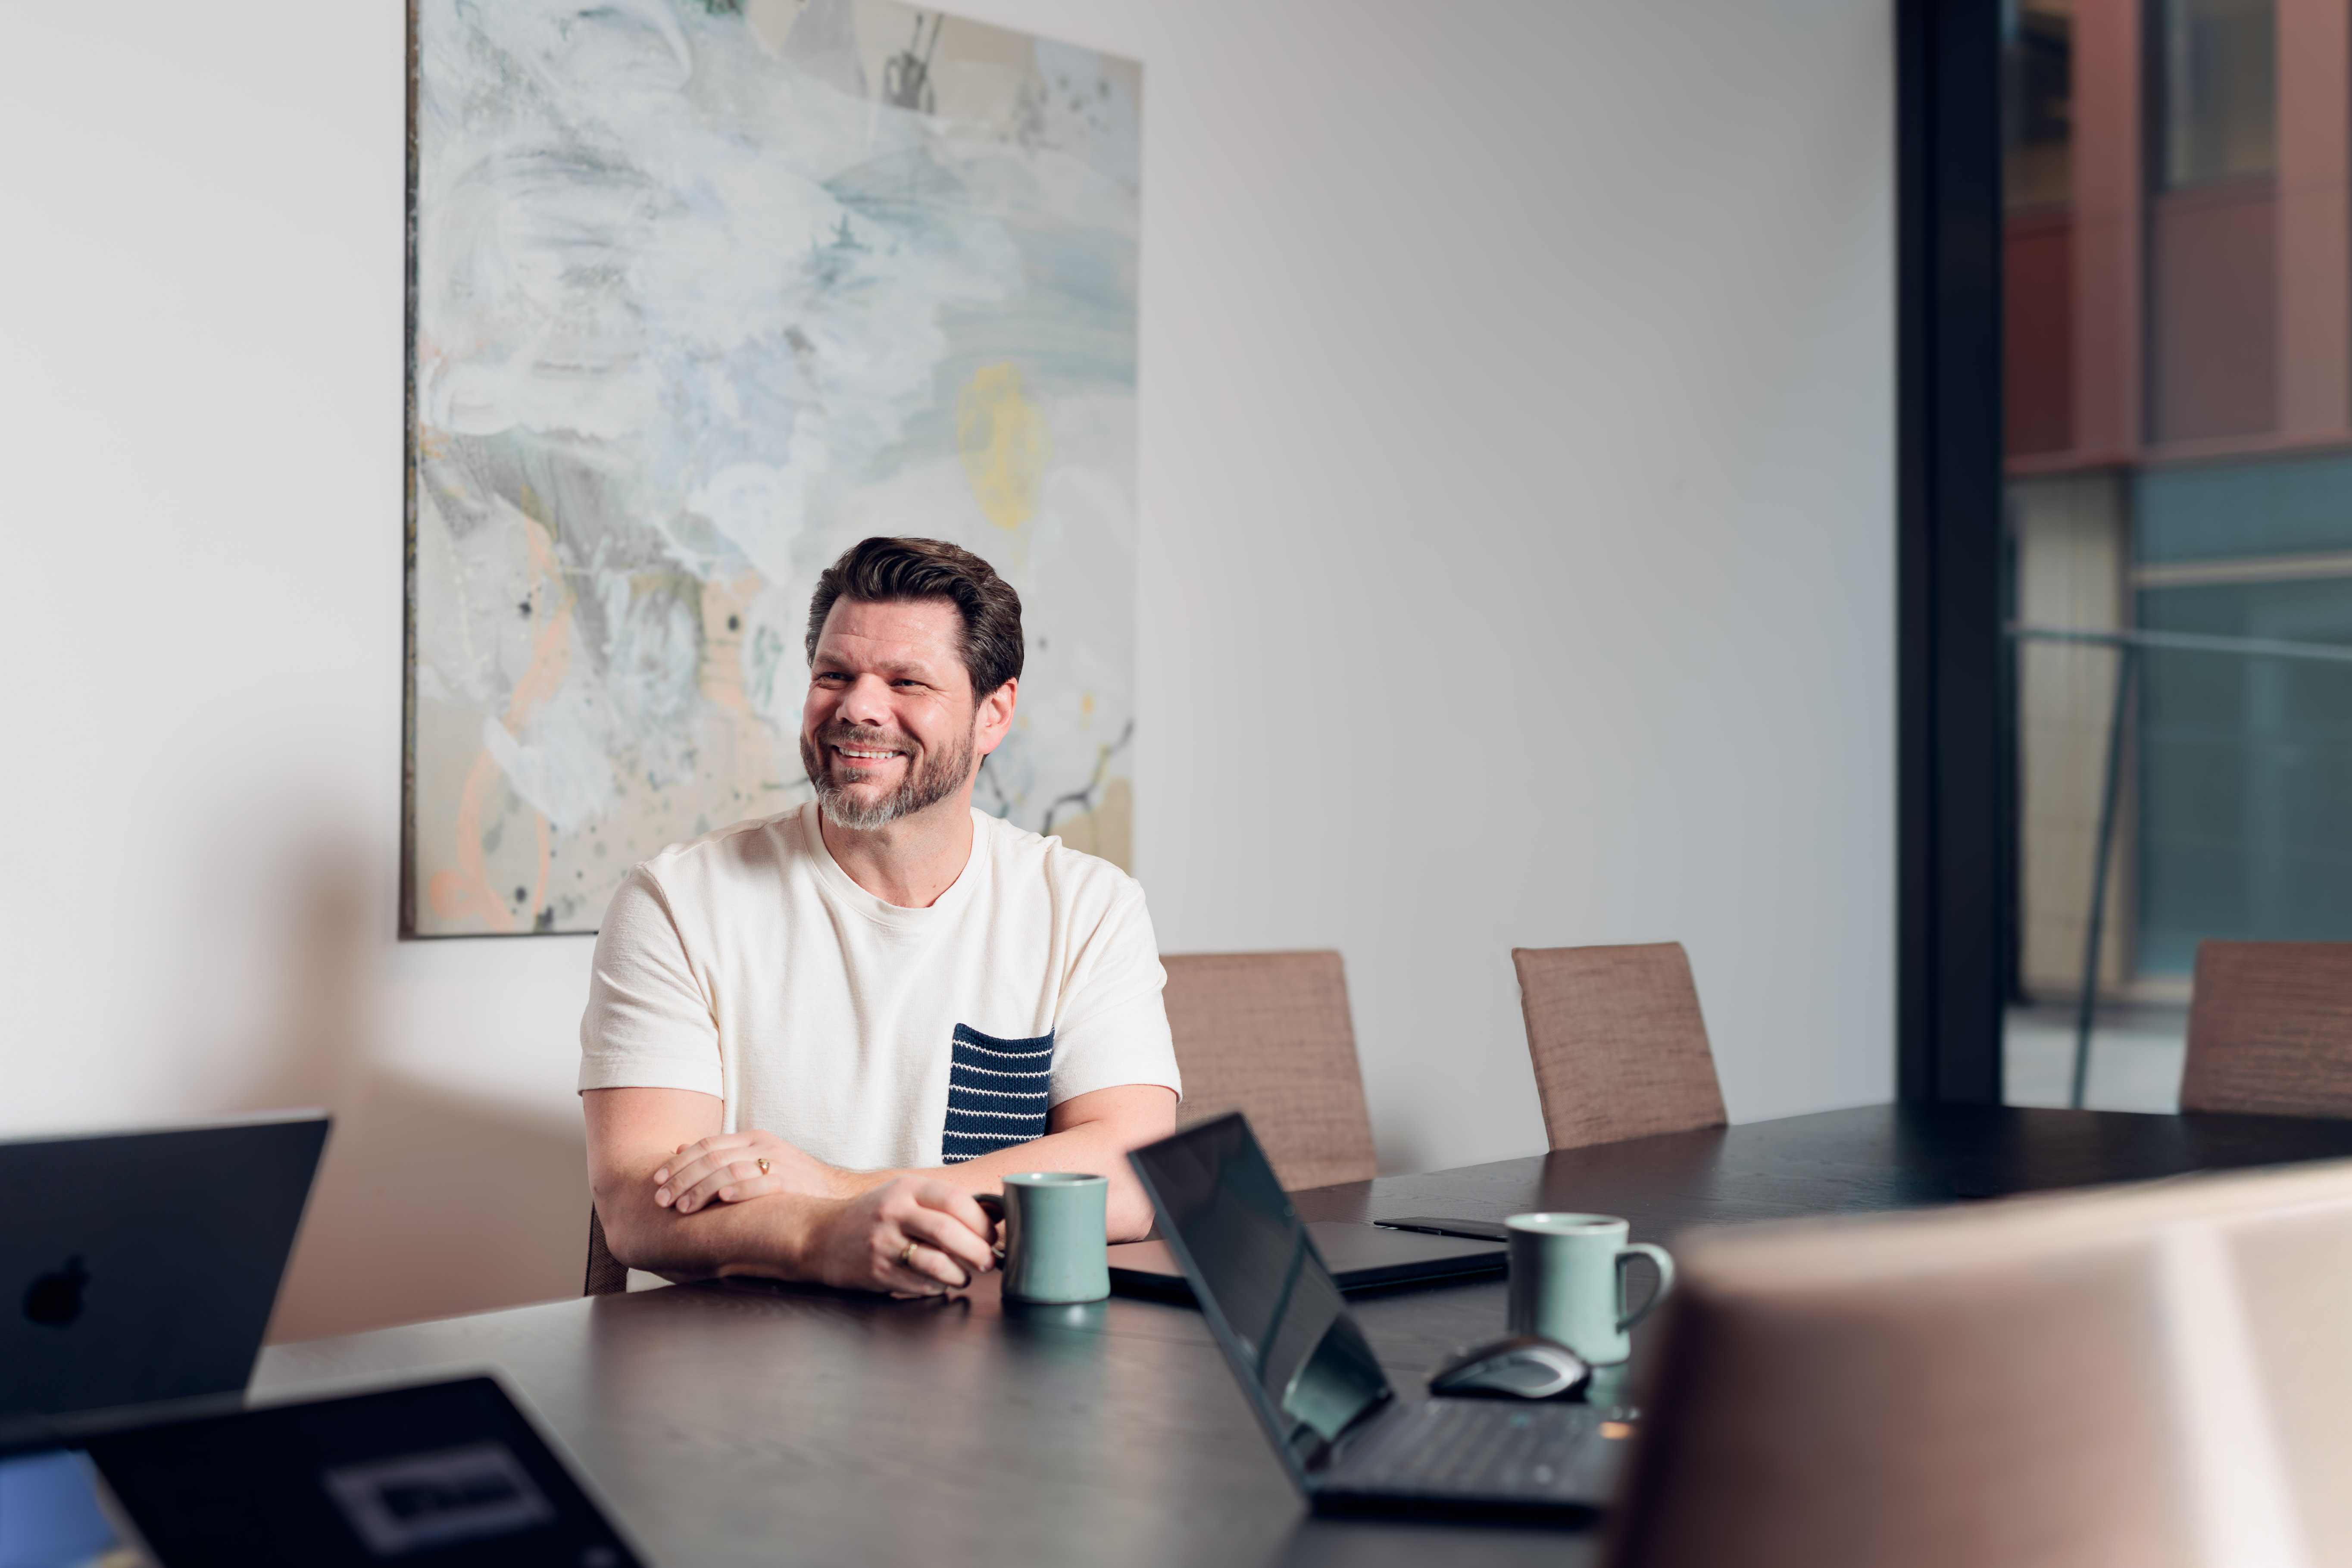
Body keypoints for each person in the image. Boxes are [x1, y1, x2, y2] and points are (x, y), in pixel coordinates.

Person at [580, 537, 1180, 1296]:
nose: (859, 707)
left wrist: (832, 1184)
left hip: (997, 1361)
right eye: (834, 675)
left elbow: (1131, 1176)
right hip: (740, 1363)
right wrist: (818, 1236)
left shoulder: (1088, 906)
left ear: (994, 714)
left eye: (906, 681)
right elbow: (637, 1207)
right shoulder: (675, 901)